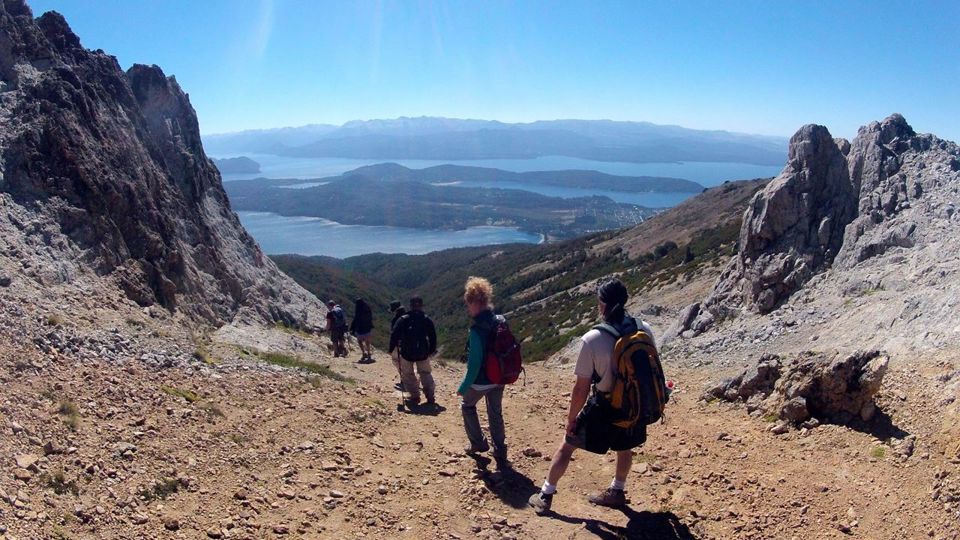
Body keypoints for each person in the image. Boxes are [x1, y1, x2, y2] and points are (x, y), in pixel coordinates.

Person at [528, 278, 657, 514]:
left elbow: (581, 388)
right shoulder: (644, 328)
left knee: (567, 446)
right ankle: (617, 491)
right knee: (625, 447)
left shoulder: (592, 339)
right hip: (633, 405)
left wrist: (571, 419)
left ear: (603, 305)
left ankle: (545, 495)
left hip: (604, 407)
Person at [458, 277, 508, 464]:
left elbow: (474, 365)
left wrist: (463, 387)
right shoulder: (500, 320)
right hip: (501, 377)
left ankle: (478, 443)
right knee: (495, 412)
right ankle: (500, 450)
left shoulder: (476, 330)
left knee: (467, 406)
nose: (467, 308)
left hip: (483, 380)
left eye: (468, 303)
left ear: (475, 302)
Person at [389, 296, 438, 408]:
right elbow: (433, 337)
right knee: (425, 373)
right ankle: (430, 396)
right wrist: (431, 350)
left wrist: (391, 349)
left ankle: (415, 396)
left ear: (410, 306)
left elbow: (394, 335)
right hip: (423, 352)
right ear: (421, 305)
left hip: (406, 352)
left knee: (408, 375)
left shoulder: (403, 319)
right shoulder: (426, 319)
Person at [389, 300, 407, 391]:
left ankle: (404, 378)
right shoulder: (408, 316)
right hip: (409, 343)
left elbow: (394, 334)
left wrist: (390, 348)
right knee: (405, 362)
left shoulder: (396, 319)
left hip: (398, 344)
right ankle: (407, 378)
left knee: (396, 361)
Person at [350, 297, 374, 364]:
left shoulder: (358, 310)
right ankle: (369, 353)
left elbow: (355, 320)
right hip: (367, 329)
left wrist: (352, 328)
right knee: (367, 342)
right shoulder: (367, 309)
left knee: (360, 341)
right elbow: (370, 318)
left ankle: (364, 353)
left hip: (360, 329)